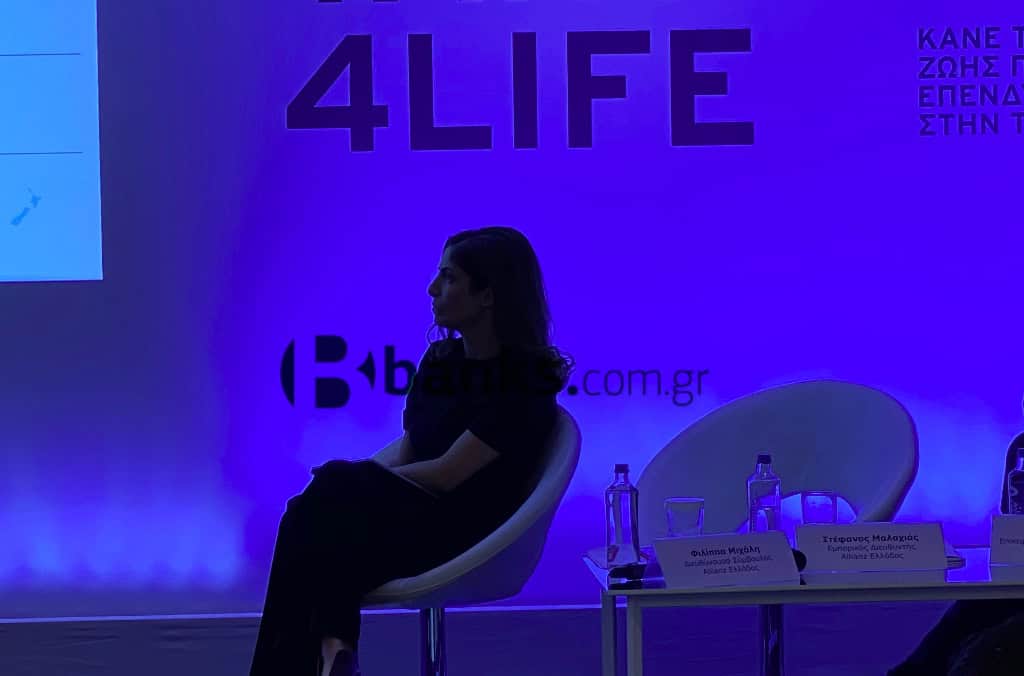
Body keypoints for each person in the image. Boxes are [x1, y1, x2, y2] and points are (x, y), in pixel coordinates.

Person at [248, 227, 573, 676]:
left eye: (449, 278)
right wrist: (353, 484)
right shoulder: (440, 362)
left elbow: (446, 475)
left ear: (487, 295)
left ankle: (334, 648)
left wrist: (353, 479)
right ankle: (335, 650)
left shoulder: (525, 381)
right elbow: (409, 453)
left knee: (320, 507)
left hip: (468, 534)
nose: (432, 289)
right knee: (309, 514)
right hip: (406, 520)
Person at [888, 429, 1024, 675]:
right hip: (1018, 576)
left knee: (989, 649)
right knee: (974, 609)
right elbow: (1010, 515)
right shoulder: (1021, 448)